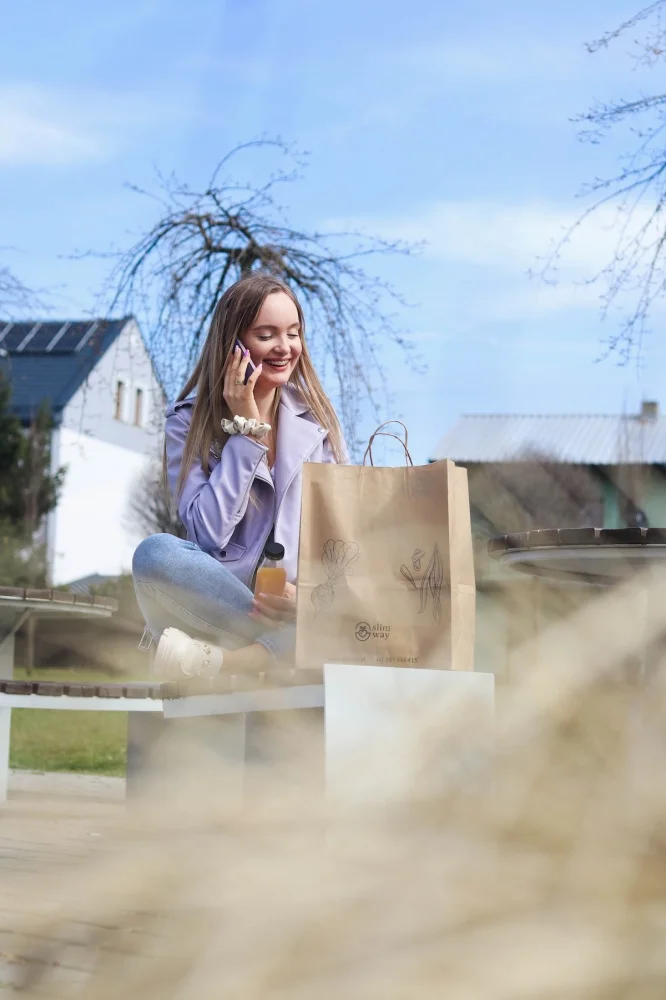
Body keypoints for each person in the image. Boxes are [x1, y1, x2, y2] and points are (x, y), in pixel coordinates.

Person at [132, 274, 346, 679]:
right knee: (155, 552)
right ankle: (271, 653)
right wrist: (247, 434)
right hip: (227, 605)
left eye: (293, 334)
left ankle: (223, 662)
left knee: (348, 610)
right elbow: (207, 534)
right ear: (234, 344)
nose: (285, 347)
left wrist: (305, 600)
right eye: (266, 335)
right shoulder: (186, 422)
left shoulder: (318, 423)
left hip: (296, 609)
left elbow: (339, 541)